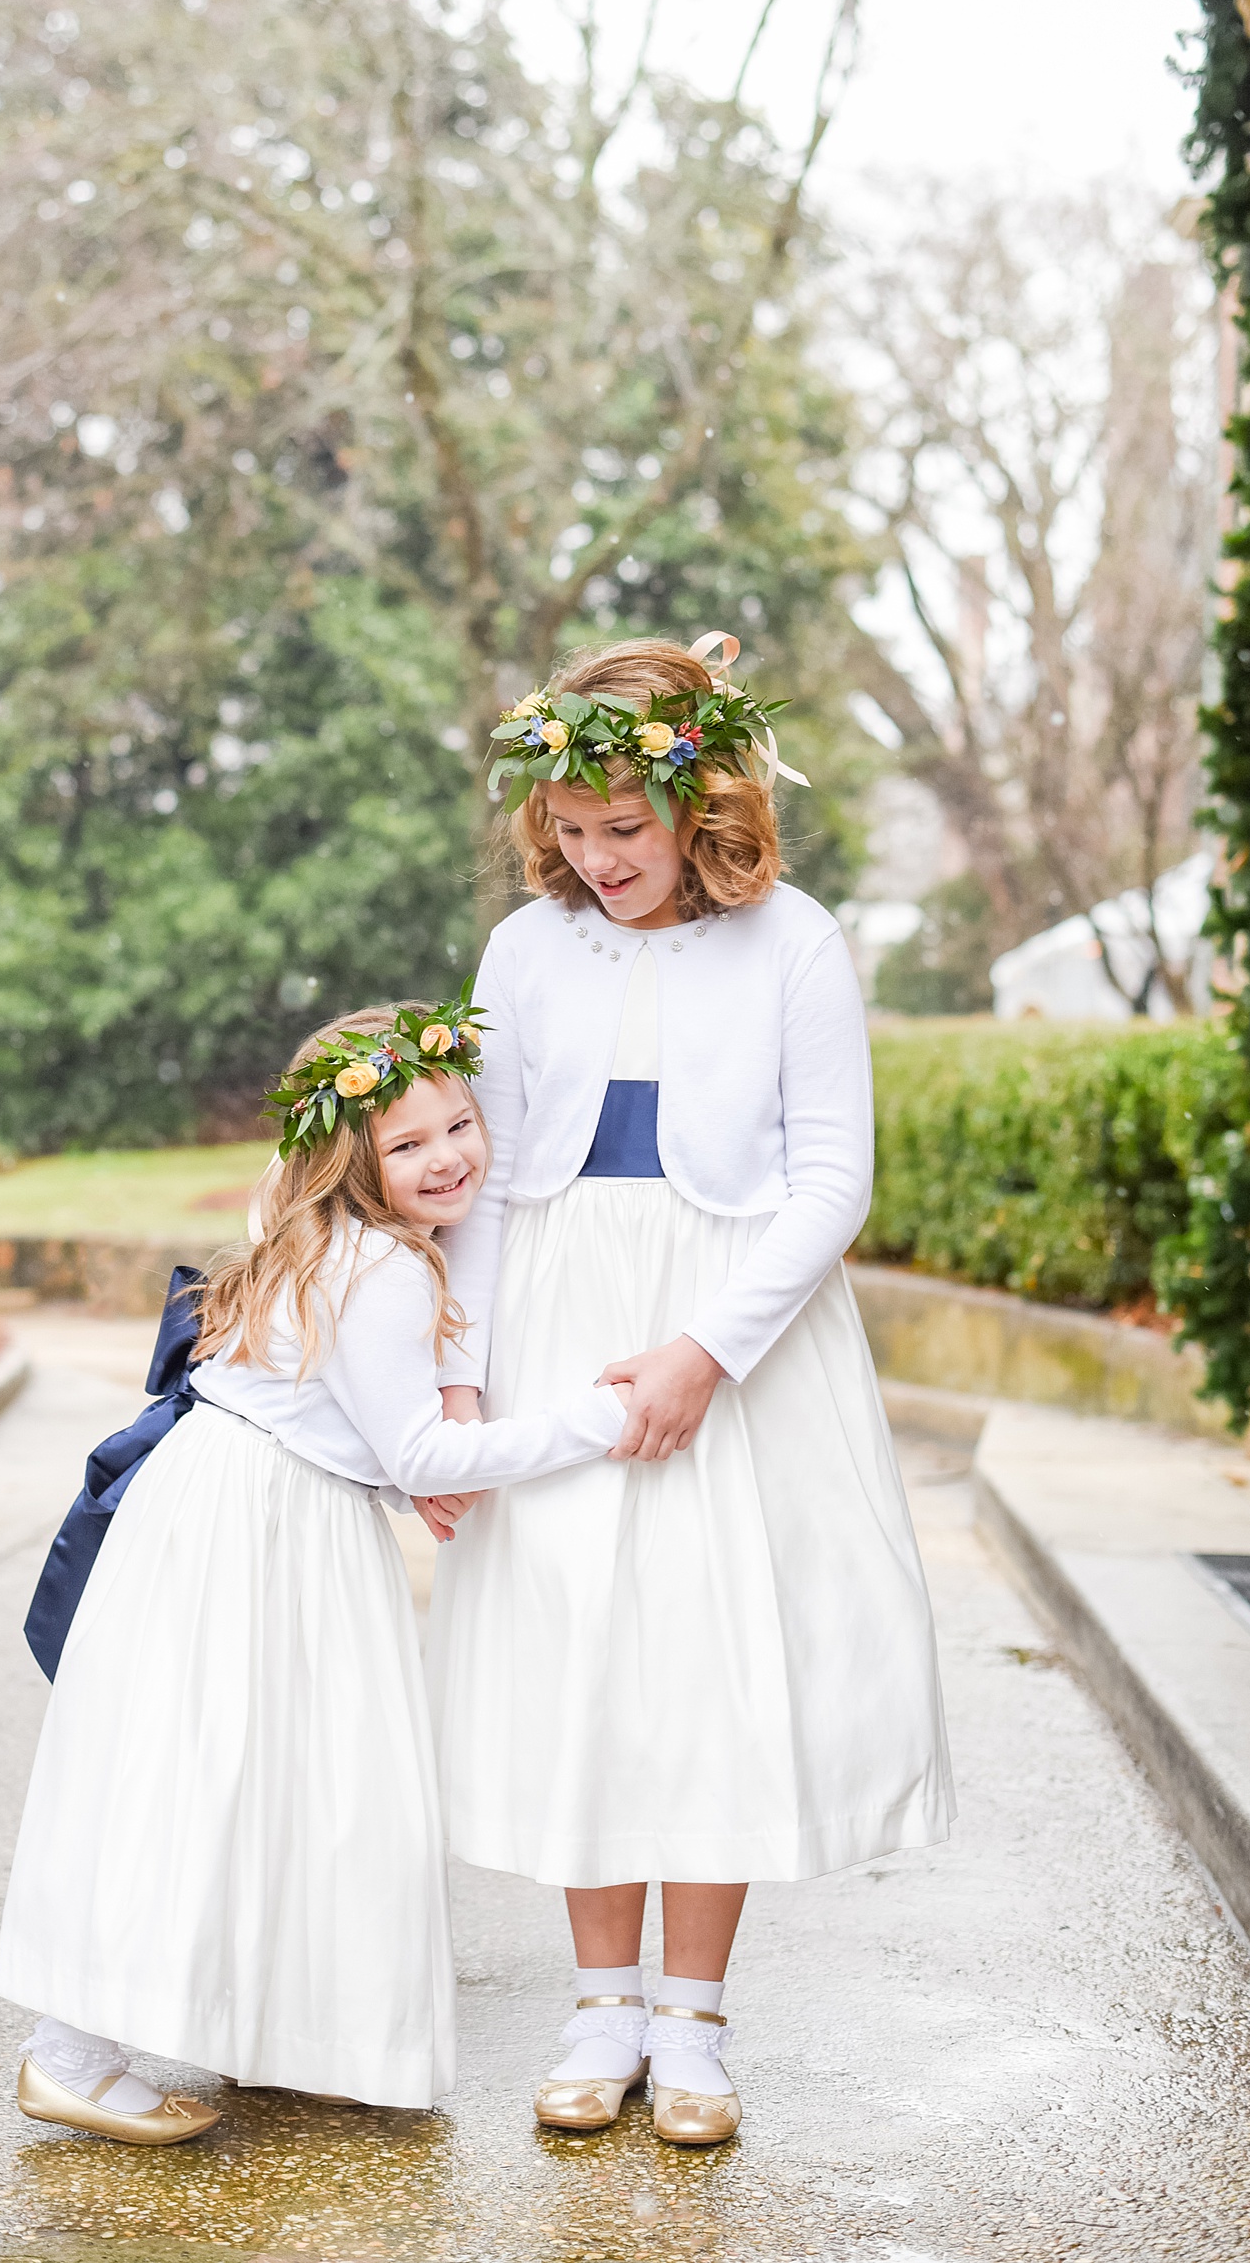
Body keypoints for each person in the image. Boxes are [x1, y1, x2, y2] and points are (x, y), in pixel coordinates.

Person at [426, 634, 954, 2147]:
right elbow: (487, 1180)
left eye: (627, 831)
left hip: (739, 1329)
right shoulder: (525, 954)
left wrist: (704, 1351)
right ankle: (598, 2003)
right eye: (571, 833)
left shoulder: (793, 941)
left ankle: (693, 2016)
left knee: (713, 1656)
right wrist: (463, 1382)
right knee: (585, 1641)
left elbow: (829, 1179)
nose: (598, 860)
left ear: (702, 802)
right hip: (561, 1320)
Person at [0, 997, 633, 2143]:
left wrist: (403, 1470)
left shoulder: (312, 1233)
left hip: (247, 1505)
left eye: (457, 1124)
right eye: (406, 1142)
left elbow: (359, 1428)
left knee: (288, 1779)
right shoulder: (380, 1268)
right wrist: (594, 1418)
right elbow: (419, 1449)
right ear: (352, 1157)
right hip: (260, 1525)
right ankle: (68, 2050)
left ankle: (283, 2032)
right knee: (214, 1777)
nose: (446, 1158)